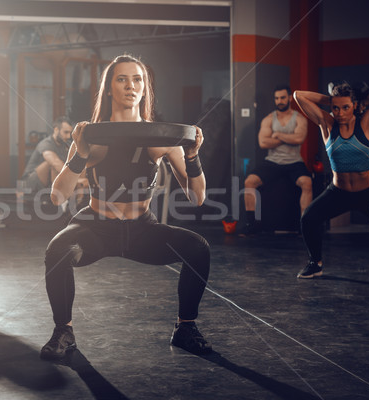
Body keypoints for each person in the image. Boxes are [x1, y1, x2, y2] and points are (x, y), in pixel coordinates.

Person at [39, 54, 212, 360]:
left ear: (145, 88)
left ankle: (185, 328)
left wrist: (193, 154)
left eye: (137, 79)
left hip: (142, 230)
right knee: (57, 250)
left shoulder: (161, 137)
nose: (130, 86)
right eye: (122, 79)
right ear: (109, 88)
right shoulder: (90, 136)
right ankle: (63, 332)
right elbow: (57, 197)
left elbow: (197, 197)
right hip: (96, 228)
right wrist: (79, 154)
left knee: (198, 247)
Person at [293, 82, 369, 283]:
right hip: (339, 192)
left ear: (354, 106)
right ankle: (315, 263)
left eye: (345, 107)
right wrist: (331, 99)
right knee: (308, 218)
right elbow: (298, 95)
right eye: (335, 107)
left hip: (368, 191)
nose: (340, 113)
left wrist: (362, 101)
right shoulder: (326, 123)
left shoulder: (367, 121)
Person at [241, 84, 312, 235]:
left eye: (282, 98)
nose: (279, 101)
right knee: (249, 182)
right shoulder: (268, 119)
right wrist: (289, 138)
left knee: (307, 183)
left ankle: (304, 225)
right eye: (277, 98)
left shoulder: (299, 118)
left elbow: (299, 138)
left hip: (294, 161)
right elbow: (263, 143)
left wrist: (278, 135)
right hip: (272, 161)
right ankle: (251, 224)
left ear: (289, 98)